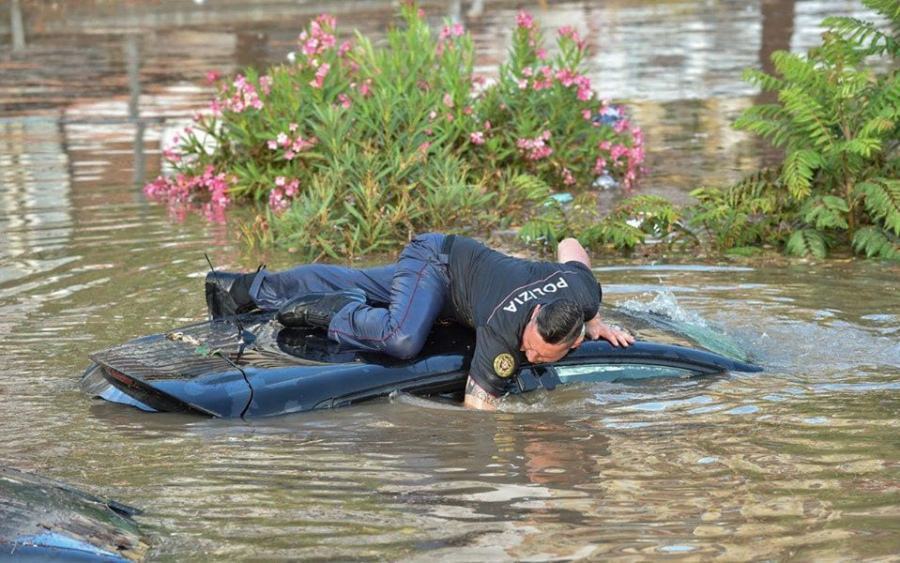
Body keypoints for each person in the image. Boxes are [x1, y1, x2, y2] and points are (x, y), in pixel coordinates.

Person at [206, 233, 634, 410]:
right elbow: (478, 410)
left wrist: (593, 318)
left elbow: (570, 244)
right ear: (535, 315)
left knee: (357, 282)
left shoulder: (582, 292)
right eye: (528, 346)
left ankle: (239, 290)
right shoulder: (504, 332)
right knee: (401, 338)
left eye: (538, 357)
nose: (525, 354)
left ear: (573, 342)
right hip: (436, 261)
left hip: (456, 283)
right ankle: (333, 312)